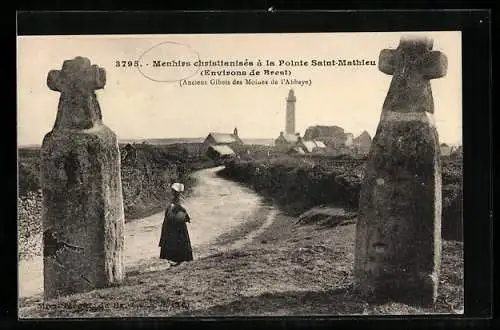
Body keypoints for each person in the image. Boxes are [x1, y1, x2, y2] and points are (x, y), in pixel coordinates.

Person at [159, 182, 193, 266]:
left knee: (177, 239)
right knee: (173, 239)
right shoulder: (174, 199)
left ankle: (179, 259)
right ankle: (175, 259)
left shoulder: (179, 199)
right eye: (173, 191)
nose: (173, 192)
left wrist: (179, 212)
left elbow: (181, 210)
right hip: (173, 222)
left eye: (174, 191)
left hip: (177, 222)